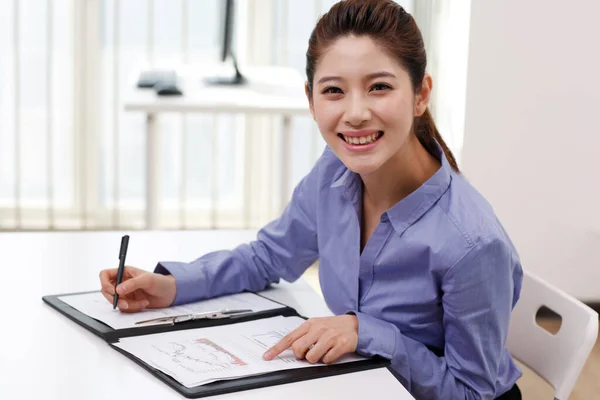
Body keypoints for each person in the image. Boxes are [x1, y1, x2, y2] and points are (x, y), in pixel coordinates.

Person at [99, 1, 523, 398]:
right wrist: (171, 287)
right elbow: (268, 256)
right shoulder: (335, 172)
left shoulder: (472, 243)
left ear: (420, 94)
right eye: (334, 91)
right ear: (311, 99)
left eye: (379, 87)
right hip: (360, 383)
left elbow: (471, 392)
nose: (355, 113)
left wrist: (365, 332)